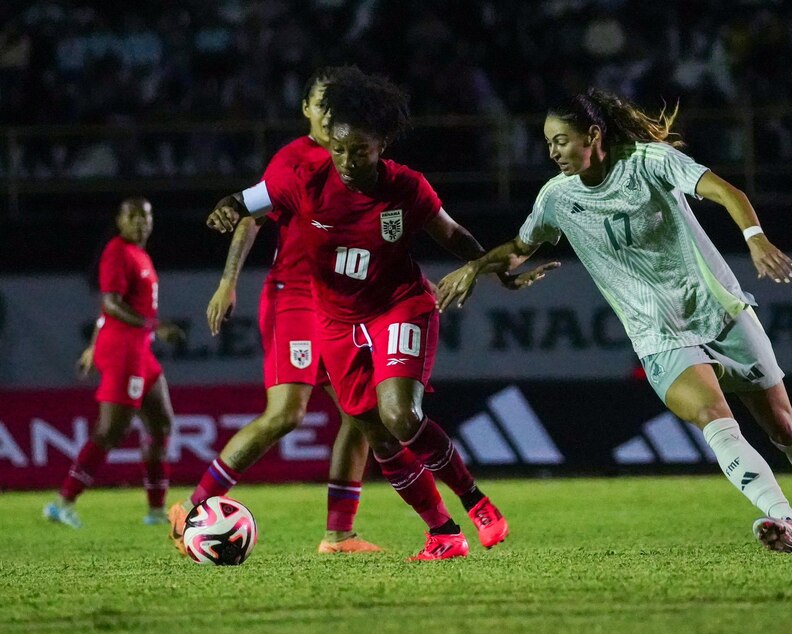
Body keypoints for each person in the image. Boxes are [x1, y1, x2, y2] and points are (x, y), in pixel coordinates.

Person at [437, 88, 792, 553]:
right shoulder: (556, 198)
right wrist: (475, 266)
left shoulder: (649, 162)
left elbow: (727, 191)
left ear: (593, 134)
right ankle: (787, 522)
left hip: (719, 312)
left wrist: (756, 239)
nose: (552, 152)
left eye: (561, 140)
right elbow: (519, 248)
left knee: (784, 428)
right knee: (713, 416)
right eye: (547, 143)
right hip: (658, 335)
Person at [206, 71, 554, 560]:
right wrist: (225, 209)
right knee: (377, 435)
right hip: (336, 322)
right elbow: (243, 202)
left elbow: (451, 234)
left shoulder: (406, 188)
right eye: (340, 149)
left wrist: (487, 268)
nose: (348, 161)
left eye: (360, 151)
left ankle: (477, 502)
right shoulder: (300, 176)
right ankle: (443, 534)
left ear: (383, 144)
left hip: (399, 305)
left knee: (400, 414)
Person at [168, 67, 383, 556]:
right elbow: (250, 217)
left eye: (337, 104)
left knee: (362, 413)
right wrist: (227, 283)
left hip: (341, 304)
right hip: (296, 299)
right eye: (321, 103)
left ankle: (339, 535)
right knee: (286, 413)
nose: (330, 113)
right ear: (306, 108)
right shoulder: (295, 159)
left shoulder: (352, 158)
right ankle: (193, 510)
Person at [44, 197, 185, 528]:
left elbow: (107, 310)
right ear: (120, 221)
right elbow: (110, 303)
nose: (140, 222)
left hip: (139, 352)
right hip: (124, 351)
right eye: (132, 216)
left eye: (146, 216)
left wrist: (91, 348)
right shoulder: (117, 251)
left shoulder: (140, 255)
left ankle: (154, 511)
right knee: (110, 431)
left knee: (161, 422)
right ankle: (62, 503)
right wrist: (155, 326)